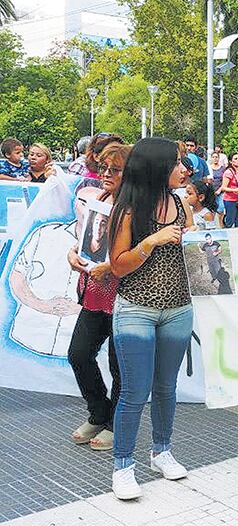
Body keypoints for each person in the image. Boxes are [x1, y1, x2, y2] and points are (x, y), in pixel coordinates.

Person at [108, 137, 194, 500]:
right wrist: (152, 241)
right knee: (134, 392)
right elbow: (117, 265)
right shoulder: (127, 210)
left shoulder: (180, 203)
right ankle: (123, 465)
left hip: (178, 308)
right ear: (158, 168)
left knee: (166, 388)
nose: (184, 170)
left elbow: (196, 253)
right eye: (176, 163)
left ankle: (162, 451)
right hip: (136, 309)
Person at [65, 143, 131, 452]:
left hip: (124, 296)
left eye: (114, 169)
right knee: (78, 354)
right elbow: (80, 240)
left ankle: (115, 424)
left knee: (119, 366)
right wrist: (72, 253)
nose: (106, 174)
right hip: (93, 293)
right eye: (103, 167)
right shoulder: (98, 199)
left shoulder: (137, 206)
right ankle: (99, 411)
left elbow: (140, 253)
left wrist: (112, 266)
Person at [219, 153, 238, 228]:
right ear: (231, 161)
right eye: (235, 159)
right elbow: (223, 187)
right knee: (230, 220)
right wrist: (234, 189)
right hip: (230, 199)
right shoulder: (228, 172)